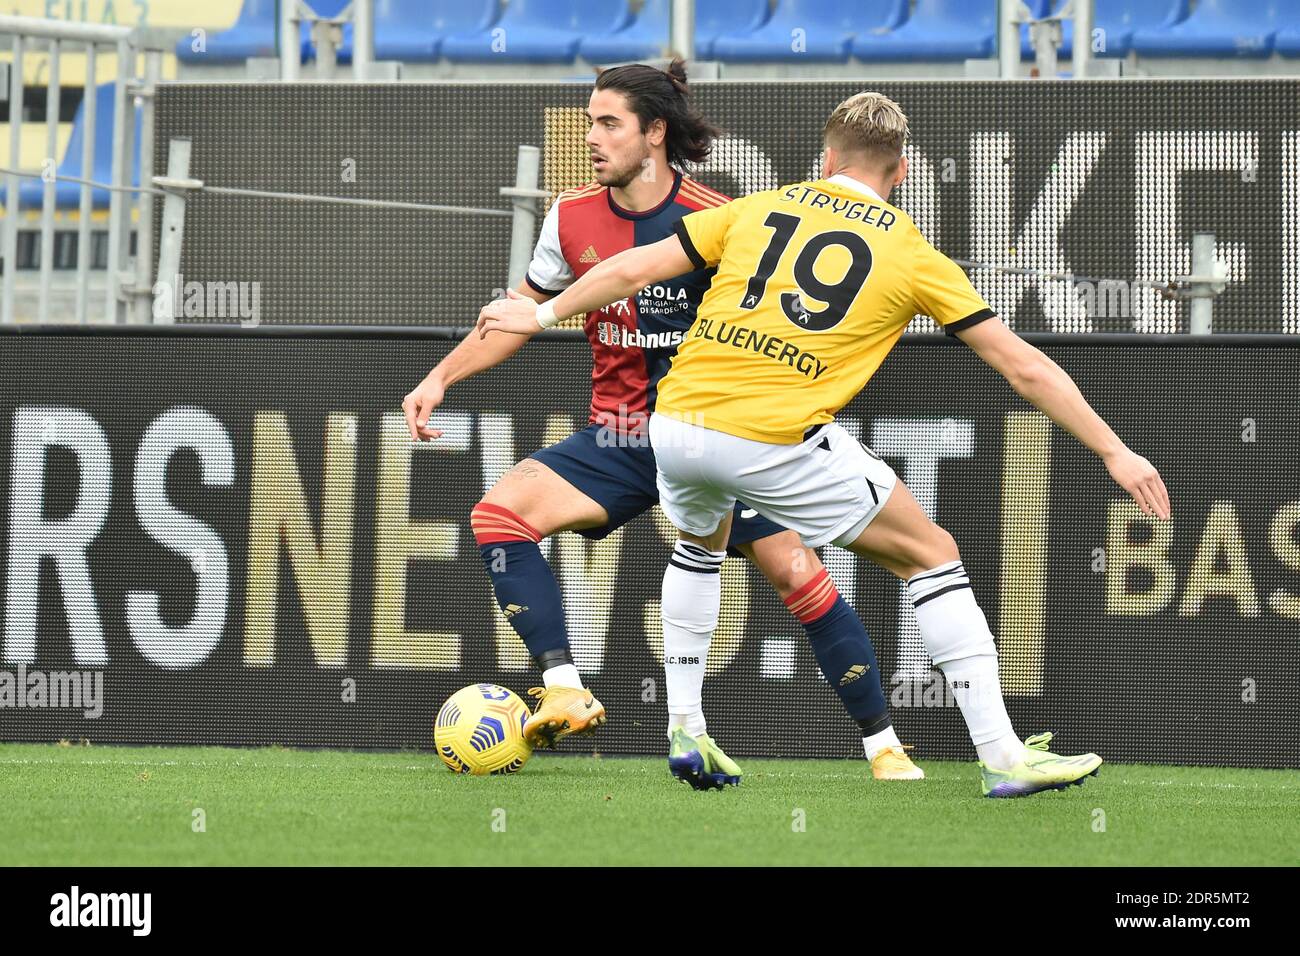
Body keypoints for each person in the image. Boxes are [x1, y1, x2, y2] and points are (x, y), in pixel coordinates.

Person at [476, 90, 1173, 797]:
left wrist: (540, 313)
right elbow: (1024, 367)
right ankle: (1003, 756)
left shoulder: (758, 208)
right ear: (899, 173)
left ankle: (685, 725)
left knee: (700, 544)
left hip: (676, 422)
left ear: (827, 157)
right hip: (769, 436)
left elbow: (632, 269)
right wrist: (1115, 450)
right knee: (932, 555)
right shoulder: (910, 251)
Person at [405, 66, 921, 790]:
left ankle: (884, 747)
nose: (591, 138)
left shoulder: (720, 216)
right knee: (498, 515)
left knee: (798, 573)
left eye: (608, 123)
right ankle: (562, 686)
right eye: (589, 122)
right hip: (618, 437)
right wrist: (441, 377)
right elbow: (520, 311)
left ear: (655, 133)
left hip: (711, 436)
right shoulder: (570, 218)